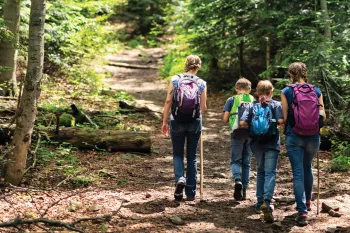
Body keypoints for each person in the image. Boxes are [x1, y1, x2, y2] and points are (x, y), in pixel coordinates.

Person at [281, 62, 326, 226]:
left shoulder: (287, 91)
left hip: (294, 136)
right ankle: (307, 202)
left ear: (291, 74)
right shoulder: (316, 90)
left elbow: (285, 118)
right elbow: (323, 116)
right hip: (313, 136)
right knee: (308, 167)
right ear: (305, 73)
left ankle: (302, 212)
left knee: (298, 172)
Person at [161, 55, 207, 201]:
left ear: (185, 65)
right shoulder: (201, 83)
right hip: (194, 121)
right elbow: (203, 108)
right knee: (192, 157)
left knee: (178, 154)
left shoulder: (175, 79)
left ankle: (180, 179)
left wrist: (164, 121)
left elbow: (169, 101)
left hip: (176, 120)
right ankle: (191, 193)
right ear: (198, 66)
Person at [240, 80, 284, 223]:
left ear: (257, 93)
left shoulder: (252, 105)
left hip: (256, 143)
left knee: (260, 171)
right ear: (271, 92)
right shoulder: (276, 104)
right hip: (272, 142)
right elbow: (281, 121)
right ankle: (267, 201)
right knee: (270, 172)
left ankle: (259, 203)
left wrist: (255, 123)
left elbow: (242, 122)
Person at [223, 78, 254, 201]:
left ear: (236, 89)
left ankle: (237, 180)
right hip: (250, 133)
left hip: (236, 133)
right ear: (249, 89)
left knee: (236, 160)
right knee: (246, 162)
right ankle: (244, 191)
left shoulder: (231, 100)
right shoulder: (253, 100)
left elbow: (225, 119)